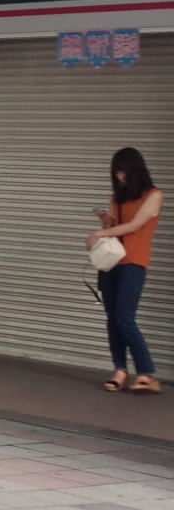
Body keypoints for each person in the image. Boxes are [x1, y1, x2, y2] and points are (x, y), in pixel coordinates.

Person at [89, 147, 161, 394]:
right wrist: (105, 221)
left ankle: (146, 373)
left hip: (134, 262)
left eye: (123, 171)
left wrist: (101, 233)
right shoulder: (117, 197)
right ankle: (120, 370)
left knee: (124, 317)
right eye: (116, 172)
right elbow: (117, 226)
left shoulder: (153, 195)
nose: (119, 176)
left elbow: (135, 225)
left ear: (135, 169)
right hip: (112, 262)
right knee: (112, 318)